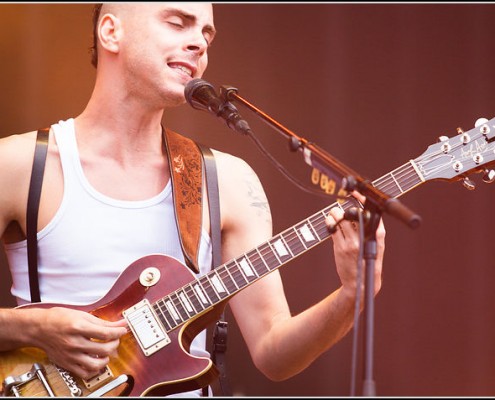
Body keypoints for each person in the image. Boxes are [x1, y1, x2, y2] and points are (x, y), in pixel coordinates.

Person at [0, 3, 385, 397]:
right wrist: (33, 328)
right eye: (178, 22)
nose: (199, 43)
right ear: (111, 32)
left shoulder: (227, 180)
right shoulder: (19, 165)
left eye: (207, 33)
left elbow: (275, 354)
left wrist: (352, 294)